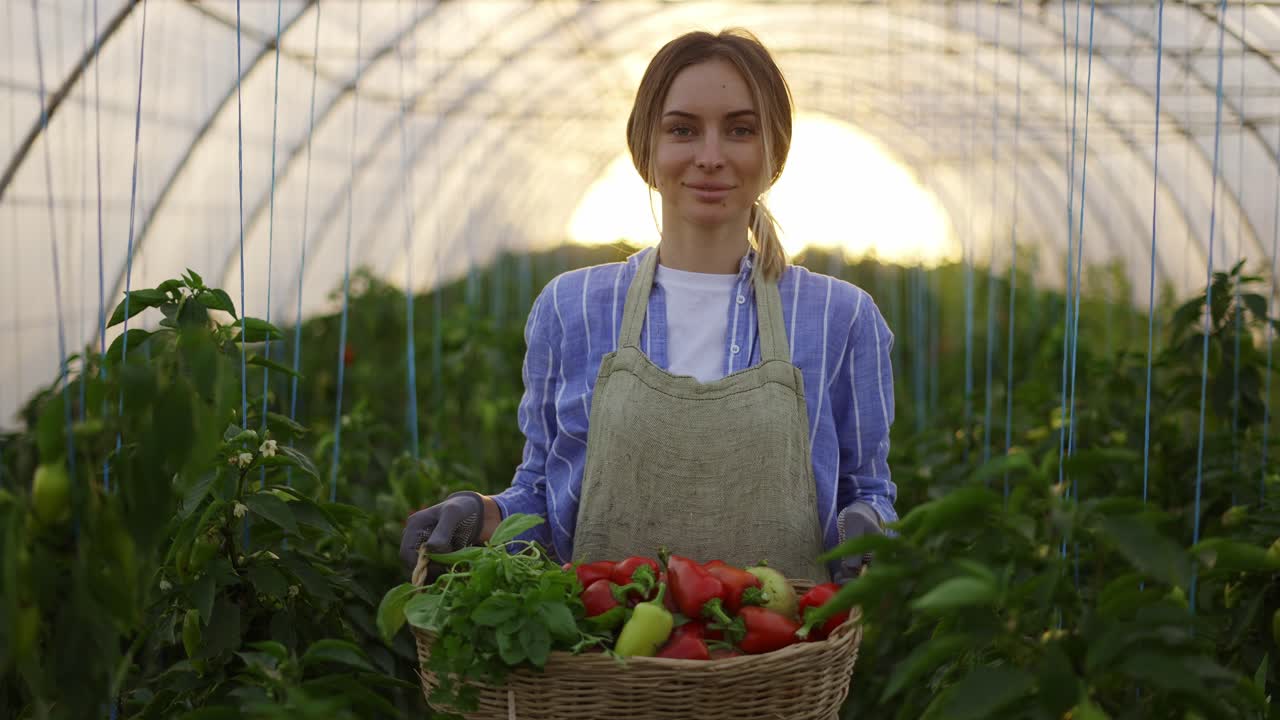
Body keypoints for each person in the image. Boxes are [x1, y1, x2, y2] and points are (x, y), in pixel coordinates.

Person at [400, 28, 897, 585]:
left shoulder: (841, 317)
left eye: (740, 130)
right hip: (606, 651)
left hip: (783, 651)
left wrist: (868, 523)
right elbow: (544, 493)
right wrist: (482, 512)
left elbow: (868, 492)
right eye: (683, 130)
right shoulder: (573, 308)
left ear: (773, 150)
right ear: (646, 148)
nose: (710, 157)